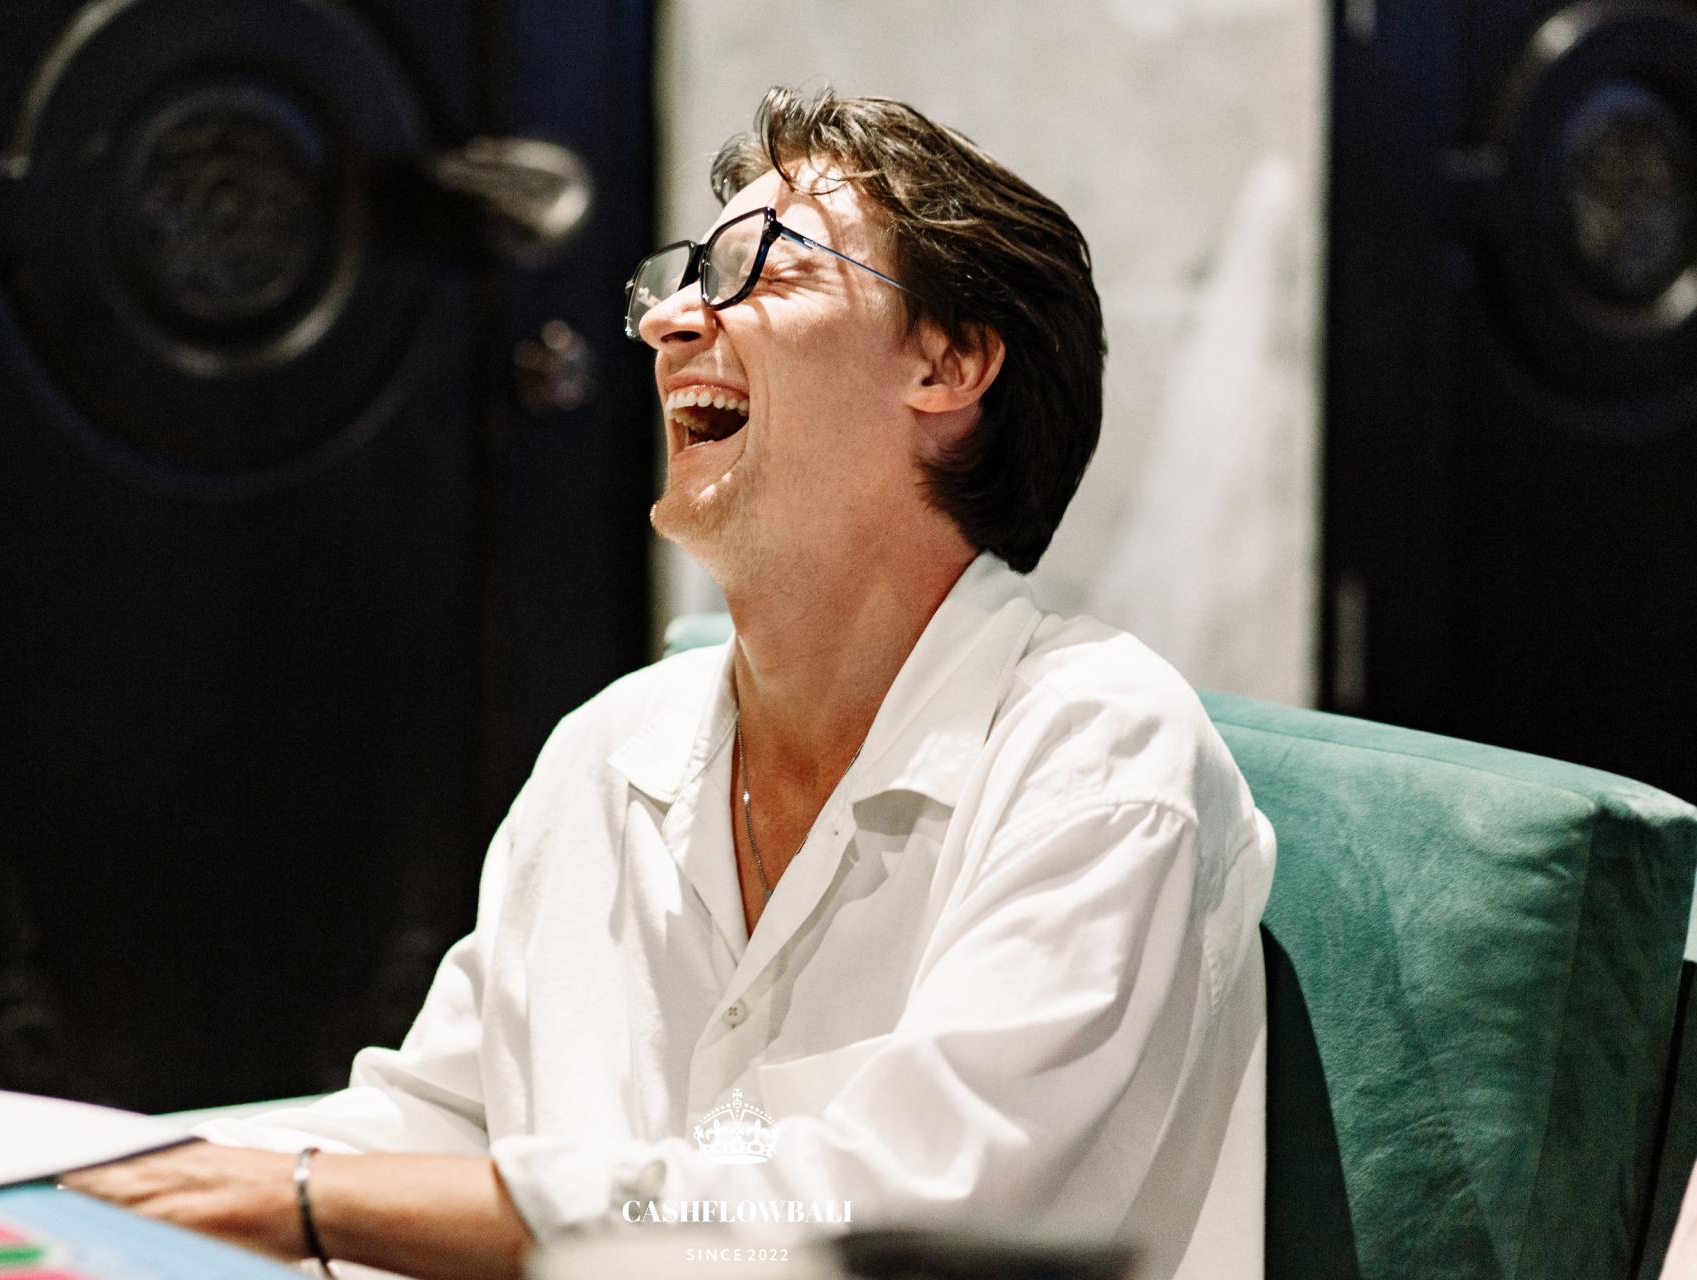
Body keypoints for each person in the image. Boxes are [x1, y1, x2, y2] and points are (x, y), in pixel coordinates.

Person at [67, 86, 1276, 1280]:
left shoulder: (1096, 749)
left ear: (949, 362)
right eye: (683, 276)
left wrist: (309, 1199)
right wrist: (64, 1188)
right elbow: (439, 1128)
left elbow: (900, 1216)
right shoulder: (610, 747)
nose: (668, 323)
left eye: (764, 266)